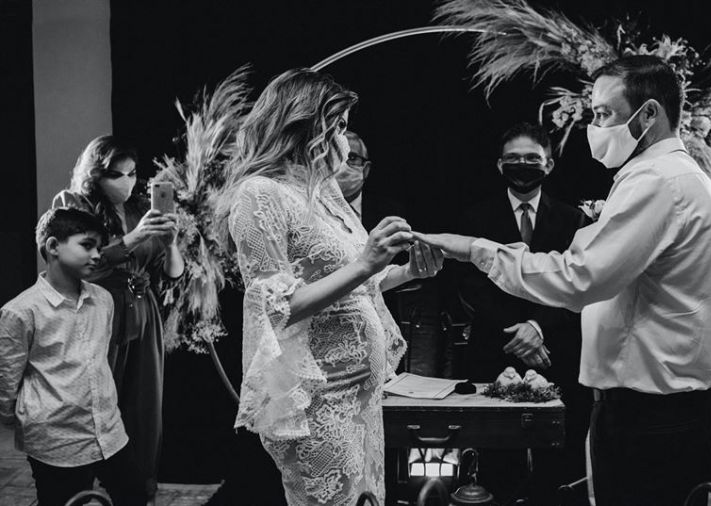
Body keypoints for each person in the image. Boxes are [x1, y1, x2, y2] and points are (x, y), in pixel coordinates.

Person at [416, 54, 711, 506]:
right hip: (670, 403)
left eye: (604, 114)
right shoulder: (683, 178)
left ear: (649, 114)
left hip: (651, 410)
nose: (594, 127)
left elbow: (580, 278)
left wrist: (474, 249)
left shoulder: (658, 181)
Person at [214, 68, 444, 506]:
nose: (344, 139)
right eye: (337, 127)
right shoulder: (260, 193)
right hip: (319, 399)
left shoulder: (323, 193)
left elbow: (355, 287)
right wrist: (366, 262)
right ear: (303, 126)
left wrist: (408, 274)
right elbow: (276, 308)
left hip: (361, 395)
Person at [456, 122, 590, 502]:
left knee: (557, 462)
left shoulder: (574, 220)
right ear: (500, 165)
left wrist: (537, 326)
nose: (523, 165)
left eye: (532, 158)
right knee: (495, 461)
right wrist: (516, 332)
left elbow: (580, 286)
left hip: (556, 349)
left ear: (549, 164)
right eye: (514, 159)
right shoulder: (475, 219)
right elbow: (468, 287)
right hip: (495, 349)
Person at [50, 136, 183, 499]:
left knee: (142, 411)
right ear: (95, 175)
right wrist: (134, 238)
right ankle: (75, 491)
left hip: (143, 316)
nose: (127, 182)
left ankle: (134, 492)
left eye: (132, 173)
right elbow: (78, 263)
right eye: (116, 175)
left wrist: (171, 241)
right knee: (90, 406)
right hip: (96, 315)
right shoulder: (73, 204)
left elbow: (172, 274)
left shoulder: (141, 208)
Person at [0, 208, 147, 506]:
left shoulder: (103, 300)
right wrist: (24, 420)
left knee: (134, 495)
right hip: (56, 441)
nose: (97, 255)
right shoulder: (21, 311)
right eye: (87, 245)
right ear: (53, 246)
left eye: (99, 247)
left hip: (109, 431)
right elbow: (7, 379)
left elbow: (101, 358)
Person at [334, 130, 371, 217]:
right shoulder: (310, 208)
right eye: (336, 156)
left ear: (366, 169)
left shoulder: (389, 211)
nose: (342, 165)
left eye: (352, 157)